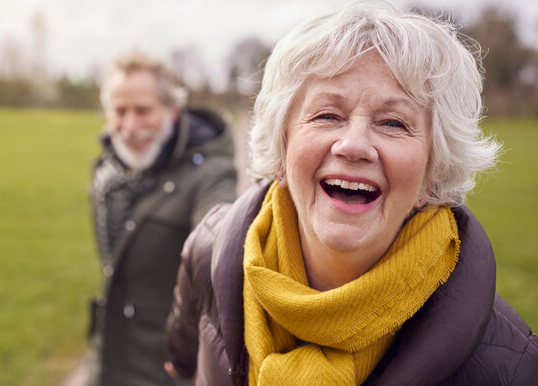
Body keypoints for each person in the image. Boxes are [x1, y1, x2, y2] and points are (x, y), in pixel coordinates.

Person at [164, 2, 538, 385]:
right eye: (328, 115)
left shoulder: (514, 368)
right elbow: (182, 359)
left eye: (393, 122)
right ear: (282, 145)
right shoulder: (208, 251)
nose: (353, 145)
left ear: (434, 171)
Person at [87, 50, 237, 386]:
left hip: (167, 372)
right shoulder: (107, 173)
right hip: (108, 363)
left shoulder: (211, 174)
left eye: (143, 110)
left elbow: (219, 239)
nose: (129, 126)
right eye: (119, 111)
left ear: (171, 111)